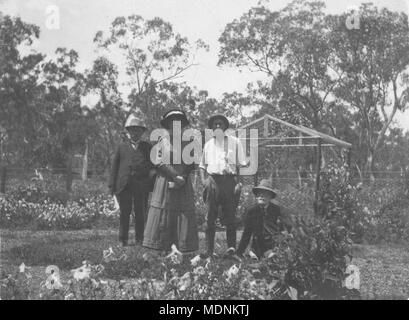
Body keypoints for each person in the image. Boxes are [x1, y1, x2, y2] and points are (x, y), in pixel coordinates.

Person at [143, 109, 199, 255]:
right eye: (172, 122)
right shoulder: (163, 141)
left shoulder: (188, 142)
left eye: (179, 123)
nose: (176, 125)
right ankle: (162, 247)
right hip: (165, 181)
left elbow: (191, 163)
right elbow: (158, 162)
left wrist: (183, 178)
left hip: (183, 184)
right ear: (168, 125)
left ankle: (182, 248)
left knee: (182, 213)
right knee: (164, 212)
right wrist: (174, 176)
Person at [199, 114, 247, 258]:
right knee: (210, 218)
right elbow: (202, 165)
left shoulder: (235, 142)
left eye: (220, 124)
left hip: (230, 182)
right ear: (212, 128)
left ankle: (231, 250)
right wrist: (204, 181)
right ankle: (209, 251)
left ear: (225, 127)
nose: (218, 126)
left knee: (231, 218)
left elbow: (241, 165)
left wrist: (239, 183)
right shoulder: (208, 144)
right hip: (213, 181)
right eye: (215, 124)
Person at [108, 114, 155, 247]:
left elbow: (153, 166)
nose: (135, 133)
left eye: (138, 130)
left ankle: (140, 240)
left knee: (140, 213)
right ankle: (122, 240)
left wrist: (150, 181)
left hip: (141, 186)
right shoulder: (121, 147)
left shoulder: (147, 148)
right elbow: (114, 168)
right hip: (124, 186)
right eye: (132, 130)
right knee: (124, 213)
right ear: (128, 132)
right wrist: (112, 187)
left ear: (142, 132)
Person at [235, 179, 293, 259]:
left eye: (265, 194)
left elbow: (288, 226)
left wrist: (284, 234)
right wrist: (239, 253)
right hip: (259, 243)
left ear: (270, 197)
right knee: (258, 234)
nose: (261, 196)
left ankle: (273, 254)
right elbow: (246, 234)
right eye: (259, 194)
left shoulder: (276, 210)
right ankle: (262, 253)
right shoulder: (252, 211)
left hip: (274, 242)